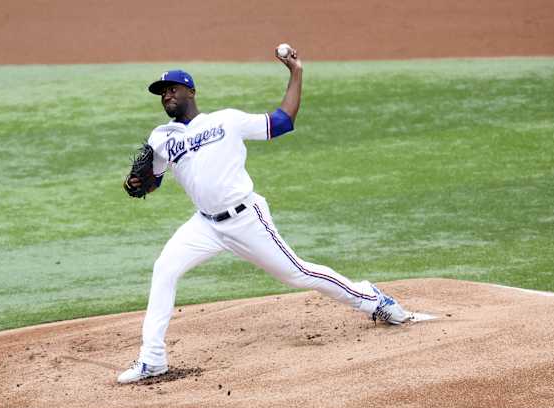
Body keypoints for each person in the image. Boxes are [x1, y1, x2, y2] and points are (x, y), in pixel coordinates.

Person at [117, 46, 412, 384]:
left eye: (172, 88)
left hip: (246, 219)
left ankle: (371, 299)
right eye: (162, 92)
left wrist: (296, 72)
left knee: (298, 274)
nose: (166, 95)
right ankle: (152, 359)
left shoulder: (226, 120)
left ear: (191, 92)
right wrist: (137, 183)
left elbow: (282, 122)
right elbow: (150, 182)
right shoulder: (162, 137)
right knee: (165, 269)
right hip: (204, 225)